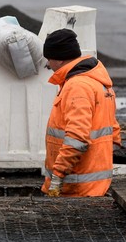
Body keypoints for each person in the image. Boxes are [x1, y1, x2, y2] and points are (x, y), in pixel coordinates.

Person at [41, 29, 121, 197]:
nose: (48, 65)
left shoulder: (77, 86)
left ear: (60, 59)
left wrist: (58, 176)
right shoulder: (96, 81)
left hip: (76, 187)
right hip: (93, 185)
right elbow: (113, 131)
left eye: (49, 59)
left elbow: (77, 138)